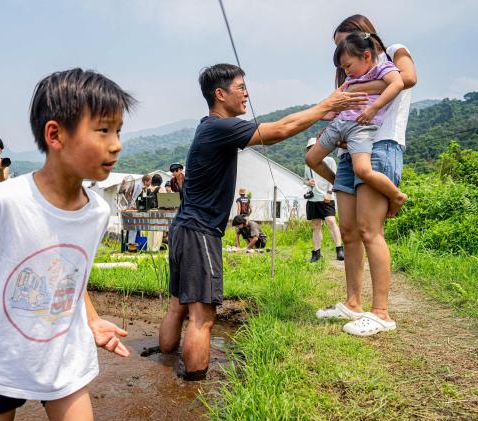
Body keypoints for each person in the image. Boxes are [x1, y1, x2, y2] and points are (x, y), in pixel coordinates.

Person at [0, 68, 135, 421]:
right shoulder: (4, 202)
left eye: (118, 131)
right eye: (103, 130)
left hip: (63, 361)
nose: (115, 143)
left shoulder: (98, 211)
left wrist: (92, 319)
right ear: (55, 134)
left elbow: (72, 274)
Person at [158, 63, 367, 380]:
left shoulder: (208, 128)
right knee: (202, 317)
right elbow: (280, 129)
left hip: (182, 229)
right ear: (220, 93)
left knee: (177, 306)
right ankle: (192, 389)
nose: (247, 94)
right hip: (200, 233)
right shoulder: (219, 127)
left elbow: (284, 125)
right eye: (241, 87)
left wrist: (319, 111)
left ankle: (162, 373)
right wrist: (329, 105)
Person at [315, 15, 417, 336]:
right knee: (348, 231)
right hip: (350, 152)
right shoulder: (350, 73)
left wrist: (358, 87)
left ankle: (381, 312)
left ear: (365, 37)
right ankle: (353, 303)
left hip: (382, 143)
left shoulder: (393, 54)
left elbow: (407, 78)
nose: (342, 52)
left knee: (370, 230)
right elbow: (342, 108)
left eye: (346, 43)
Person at [306, 31, 407, 217]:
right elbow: (333, 105)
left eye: (348, 65)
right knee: (311, 159)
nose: (346, 71)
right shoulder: (350, 80)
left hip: (361, 128)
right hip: (339, 124)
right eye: (343, 68)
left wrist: (374, 108)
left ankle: (397, 195)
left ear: (366, 56)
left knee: (362, 169)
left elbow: (398, 83)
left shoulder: (382, 69)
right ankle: (339, 183)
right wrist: (323, 114)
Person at [304, 138, 344, 262]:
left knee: (331, 221)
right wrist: (308, 182)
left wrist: (329, 192)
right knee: (316, 226)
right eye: (309, 148)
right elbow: (305, 180)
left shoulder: (329, 160)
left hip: (326, 197)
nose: (311, 149)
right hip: (313, 199)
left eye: (313, 147)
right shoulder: (308, 164)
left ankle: (339, 250)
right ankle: (316, 253)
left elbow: (334, 177)